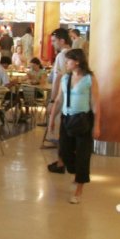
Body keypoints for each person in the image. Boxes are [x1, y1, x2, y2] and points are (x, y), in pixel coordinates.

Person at [49, 48, 99, 204]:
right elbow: (58, 100)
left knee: (83, 155)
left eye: (68, 60)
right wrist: (52, 119)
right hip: (67, 119)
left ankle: (79, 188)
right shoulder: (65, 78)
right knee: (64, 152)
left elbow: (96, 103)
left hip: (83, 119)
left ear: (77, 61)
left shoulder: (89, 79)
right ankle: (77, 172)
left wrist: (97, 125)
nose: (66, 63)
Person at [43, 28, 73, 150]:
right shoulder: (74, 53)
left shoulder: (62, 55)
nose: (52, 44)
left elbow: (59, 78)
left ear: (62, 41)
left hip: (61, 95)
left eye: (54, 41)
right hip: (70, 96)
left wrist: (52, 99)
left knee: (56, 122)